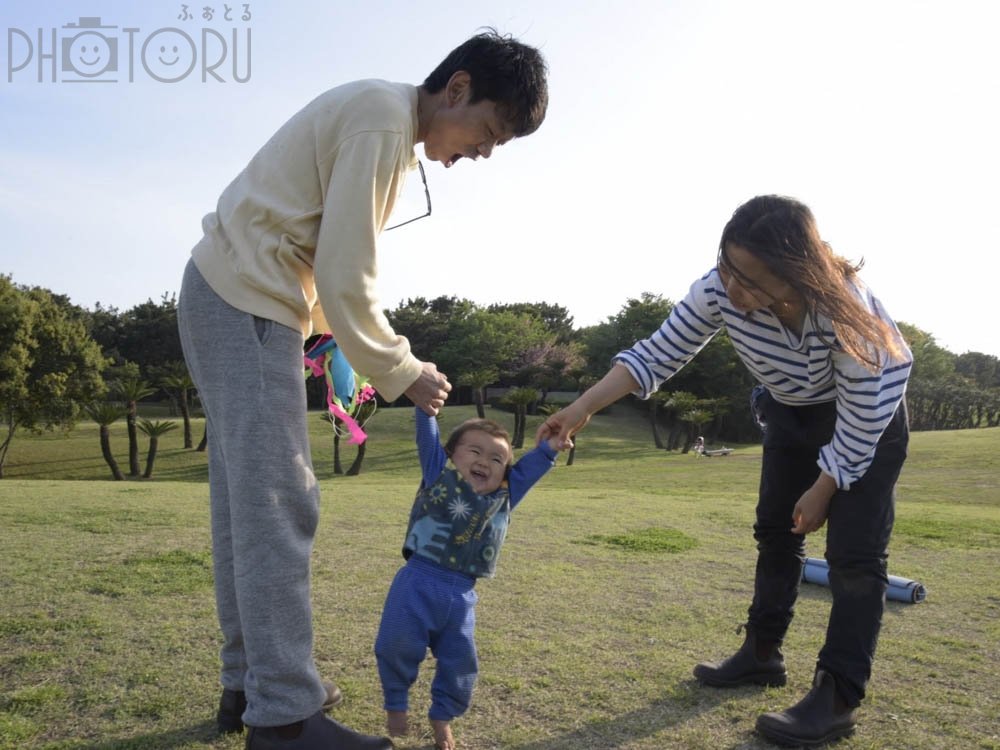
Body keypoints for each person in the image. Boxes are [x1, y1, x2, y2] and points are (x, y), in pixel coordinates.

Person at [177, 29, 548, 750]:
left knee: (244, 506)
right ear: (458, 88)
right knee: (281, 501)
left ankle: (251, 684)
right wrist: (404, 370)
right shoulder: (383, 120)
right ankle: (284, 715)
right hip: (249, 298)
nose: (482, 152)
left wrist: (333, 342)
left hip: (227, 292)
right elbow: (349, 273)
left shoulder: (381, 120)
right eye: (489, 133)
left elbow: (328, 261)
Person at [536, 195, 912, 748]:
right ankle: (761, 654)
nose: (733, 290)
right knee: (775, 532)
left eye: (751, 280)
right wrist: (582, 408)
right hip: (790, 411)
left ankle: (837, 696)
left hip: (867, 420)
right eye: (728, 268)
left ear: (796, 273)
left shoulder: (845, 312)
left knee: (854, 559)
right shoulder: (718, 289)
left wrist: (826, 483)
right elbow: (657, 353)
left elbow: (865, 409)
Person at [375, 410, 559, 750]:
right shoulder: (437, 474)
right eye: (474, 451)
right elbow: (426, 435)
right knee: (396, 645)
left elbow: (530, 470)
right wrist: (425, 407)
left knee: (461, 663)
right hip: (416, 583)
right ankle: (396, 704)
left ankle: (442, 717)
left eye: (496, 458)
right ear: (450, 455)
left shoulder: (501, 499)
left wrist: (550, 448)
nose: (484, 462)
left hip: (461, 596)